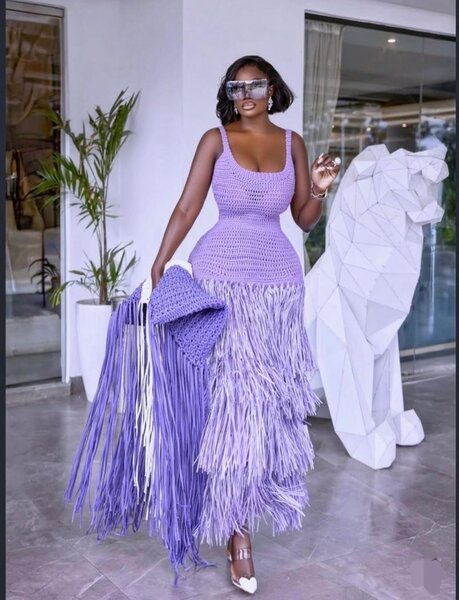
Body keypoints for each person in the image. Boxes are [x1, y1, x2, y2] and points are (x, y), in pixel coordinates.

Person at [150, 54, 340, 595]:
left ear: (273, 90)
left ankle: (241, 515)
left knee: (265, 407)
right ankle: (239, 536)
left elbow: (302, 218)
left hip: (278, 291)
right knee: (235, 406)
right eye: (237, 87)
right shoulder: (215, 141)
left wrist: (319, 187)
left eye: (255, 85)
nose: (246, 94)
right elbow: (187, 207)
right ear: (230, 94)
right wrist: (161, 263)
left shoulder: (293, 144)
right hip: (220, 284)